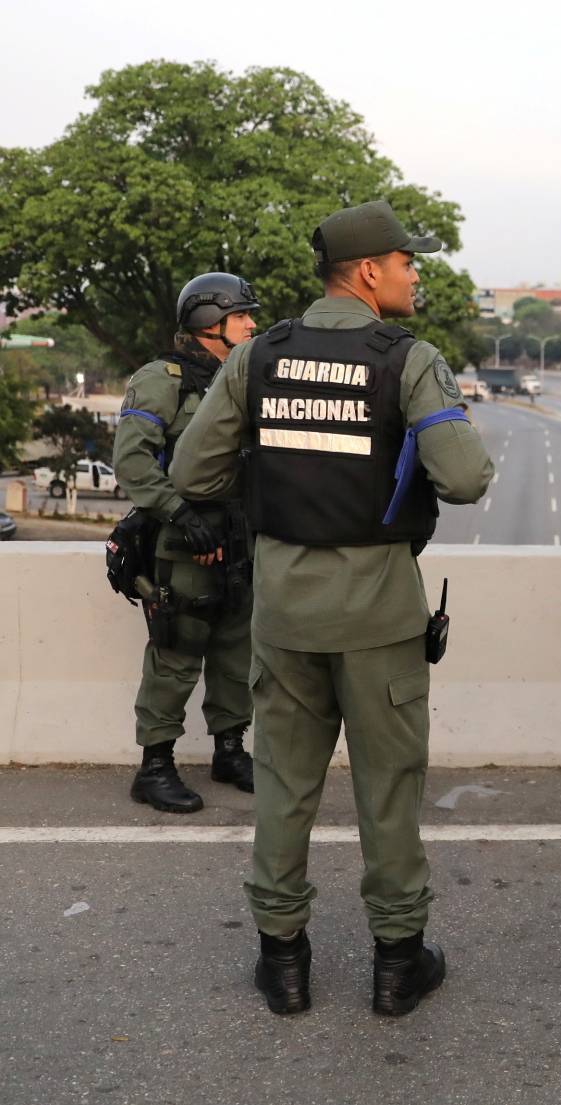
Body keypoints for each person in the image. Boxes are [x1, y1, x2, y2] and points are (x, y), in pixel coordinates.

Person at [171, 200, 494, 1015]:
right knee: (388, 789)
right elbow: (466, 478)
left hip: (282, 614)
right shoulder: (408, 358)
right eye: (406, 261)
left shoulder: (261, 355)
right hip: (379, 616)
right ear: (367, 272)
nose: (416, 272)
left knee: (283, 786)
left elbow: (190, 472)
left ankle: (283, 962)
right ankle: (396, 964)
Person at [113, 272, 260, 813]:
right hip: (182, 542)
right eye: (242, 315)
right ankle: (154, 767)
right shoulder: (162, 378)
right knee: (176, 654)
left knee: (236, 649)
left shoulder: (243, 376)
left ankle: (230, 751)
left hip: (238, 538)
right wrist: (180, 512)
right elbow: (131, 462)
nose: (252, 324)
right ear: (209, 321)